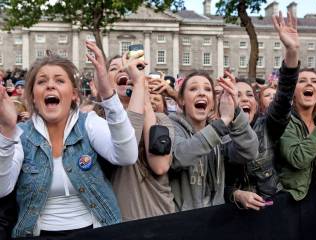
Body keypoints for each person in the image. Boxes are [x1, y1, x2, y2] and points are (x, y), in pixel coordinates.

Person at [0, 41, 138, 237]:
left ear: (74, 94)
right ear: (32, 95)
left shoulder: (88, 123)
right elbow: (2, 188)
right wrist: (6, 130)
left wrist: (108, 96)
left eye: (59, 80)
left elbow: (127, 156)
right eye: (41, 82)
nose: (50, 85)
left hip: (96, 231)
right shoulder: (21, 134)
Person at [225, 10, 300, 210]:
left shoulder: (267, 127)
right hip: (232, 219)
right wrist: (236, 194)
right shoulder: (216, 134)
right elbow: (216, 186)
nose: (243, 99)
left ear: (257, 104)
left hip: (273, 210)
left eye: (249, 94)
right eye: (236, 95)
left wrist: (291, 51)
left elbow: (284, 96)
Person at [168, 70, 258, 211]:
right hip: (182, 221)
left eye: (208, 89)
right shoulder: (171, 126)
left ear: (213, 103)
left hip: (214, 219)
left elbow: (249, 152)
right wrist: (223, 121)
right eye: (193, 89)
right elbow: (179, 157)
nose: (202, 93)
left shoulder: (220, 134)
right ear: (181, 101)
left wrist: (234, 112)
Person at [105, 53, 175, 221]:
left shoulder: (161, 119)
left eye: (129, 67)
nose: (124, 69)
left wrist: (141, 93)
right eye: (115, 68)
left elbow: (160, 165)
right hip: (119, 222)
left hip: (158, 216)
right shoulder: (96, 121)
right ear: (105, 81)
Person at [278, 68, 316, 201]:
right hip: (293, 200)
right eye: (302, 81)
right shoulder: (284, 121)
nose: (309, 84)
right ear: (293, 91)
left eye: (315, 81)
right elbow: (297, 159)